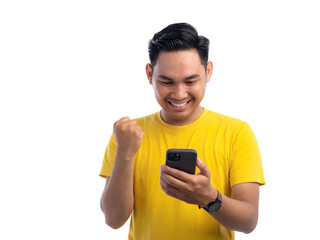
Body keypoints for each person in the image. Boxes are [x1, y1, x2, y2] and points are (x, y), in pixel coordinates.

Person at [99, 23, 265, 240]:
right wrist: (125, 153)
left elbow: (249, 221)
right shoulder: (127, 135)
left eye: (191, 81)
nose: (178, 94)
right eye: (166, 81)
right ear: (149, 74)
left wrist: (209, 198)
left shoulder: (236, 133)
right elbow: (114, 219)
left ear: (208, 72)